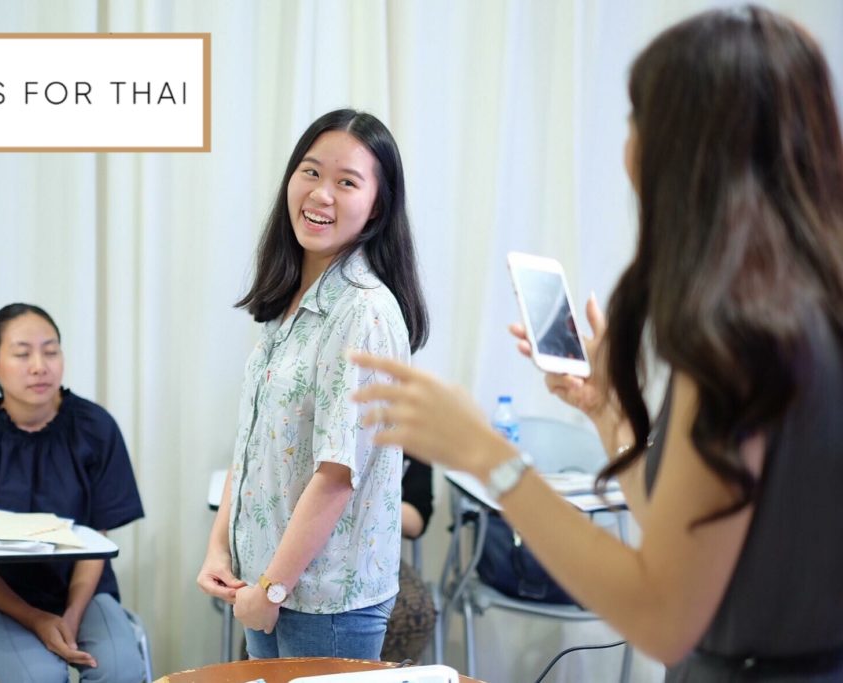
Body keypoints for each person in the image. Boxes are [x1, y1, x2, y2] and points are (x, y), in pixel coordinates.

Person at [354, 6, 843, 680]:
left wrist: (487, 455)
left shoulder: (739, 336)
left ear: (684, 149)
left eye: (636, 119)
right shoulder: (810, 305)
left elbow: (664, 616)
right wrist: (608, 417)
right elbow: (688, 535)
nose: (628, 147)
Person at [197, 108, 429, 661]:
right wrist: (219, 549)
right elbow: (252, 444)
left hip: (324, 601)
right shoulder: (293, 302)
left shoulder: (364, 312)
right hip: (264, 582)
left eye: (347, 182)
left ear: (377, 206)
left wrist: (272, 589)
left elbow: (337, 474)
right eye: (311, 171)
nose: (321, 194)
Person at [0, 304, 145, 683]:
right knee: (41, 676)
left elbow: (96, 541)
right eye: (22, 353)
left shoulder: (95, 428)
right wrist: (36, 619)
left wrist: (71, 616)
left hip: (80, 592)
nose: (39, 366)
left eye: (50, 351)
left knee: (121, 671)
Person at [380, 455, 436, 664]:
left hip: (377, 552)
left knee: (416, 612)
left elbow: (417, 521)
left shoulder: (413, 447)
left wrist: (369, 499)